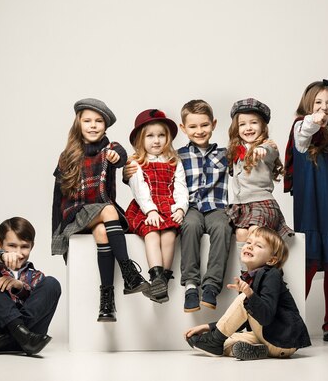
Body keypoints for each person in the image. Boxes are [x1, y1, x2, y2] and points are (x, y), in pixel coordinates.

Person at [52, 98, 149, 323]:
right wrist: (57, 235)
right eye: (87, 121)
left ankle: (106, 303)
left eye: (98, 121)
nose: (93, 125)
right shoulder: (67, 156)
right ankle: (130, 274)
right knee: (107, 210)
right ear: (78, 124)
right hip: (76, 214)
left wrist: (117, 158)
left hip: (100, 217)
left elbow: (120, 156)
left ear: (105, 126)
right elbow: (58, 197)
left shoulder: (110, 148)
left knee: (103, 233)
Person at [283, 77, 328, 341]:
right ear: (308, 105)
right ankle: (293, 319)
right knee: (310, 260)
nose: (325, 108)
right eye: (318, 103)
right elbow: (306, 133)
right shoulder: (302, 127)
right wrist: (317, 117)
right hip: (311, 206)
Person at [184, 227, 311, 360]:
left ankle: (214, 341)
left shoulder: (272, 275)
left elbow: (266, 317)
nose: (250, 247)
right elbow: (241, 319)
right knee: (227, 341)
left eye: (258, 245)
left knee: (244, 299)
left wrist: (249, 294)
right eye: (248, 243)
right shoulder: (248, 278)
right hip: (269, 339)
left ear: (272, 260)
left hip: (283, 338)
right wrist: (208, 327)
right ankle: (258, 350)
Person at [0, 217, 61, 357]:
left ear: (32, 246)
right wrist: (2, 257)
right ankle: (19, 333)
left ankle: (2, 340)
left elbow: (37, 303)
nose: (18, 253)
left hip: (17, 340)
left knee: (52, 283)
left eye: (24, 246)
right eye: (12, 246)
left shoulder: (37, 277)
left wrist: (20, 287)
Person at [125, 109, 189, 303]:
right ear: (140, 140)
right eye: (150, 136)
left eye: (161, 135)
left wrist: (180, 208)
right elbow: (140, 189)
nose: (156, 140)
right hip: (146, 207)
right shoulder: (136, 161)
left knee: (169, 234)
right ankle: (155, 276)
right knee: (152, 234)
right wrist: (151, 210)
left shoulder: (174, 160)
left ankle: (162, 283)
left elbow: (181, 187)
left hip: (168, 205)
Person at [176, 100, 232, 312]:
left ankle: (211, 285)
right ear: (183, 128)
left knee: (223, 227)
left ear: (214, 124)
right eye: (193, 126)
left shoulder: (227, 154)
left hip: (216, 207)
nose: (199, 131)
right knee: (189, 226)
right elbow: (153, 163)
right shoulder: (177, 155)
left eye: (204, 125)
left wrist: (267, 147)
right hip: (190, 207)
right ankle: (191, 285)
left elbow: (249, 156)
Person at [226, 98, 294, 269]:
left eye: (254, 123)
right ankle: (246, 273)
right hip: (241, 205)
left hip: (261, 203)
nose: (248, 128)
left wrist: (262, 150)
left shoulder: (267, 146)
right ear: (236, 127)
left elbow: (270, 152)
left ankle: (259, 276)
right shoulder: (235, 150)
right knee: (241, 233)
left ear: (263, 126)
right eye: (242, 124)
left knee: (254, 233)